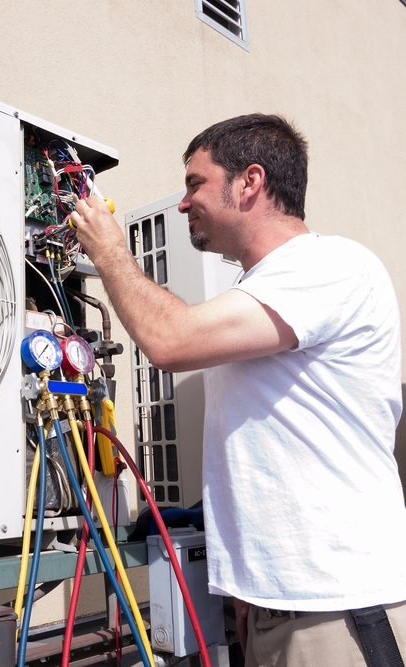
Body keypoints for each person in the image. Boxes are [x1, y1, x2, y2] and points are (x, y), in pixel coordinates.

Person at [71, 113, 406, 666]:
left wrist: (108, 251)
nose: (182, 204)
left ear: (249, 182)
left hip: (336, 610)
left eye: (195, 183)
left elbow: (169, 340)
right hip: (279, 607)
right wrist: (249, 595)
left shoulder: (327, 266)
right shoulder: (264, 291)